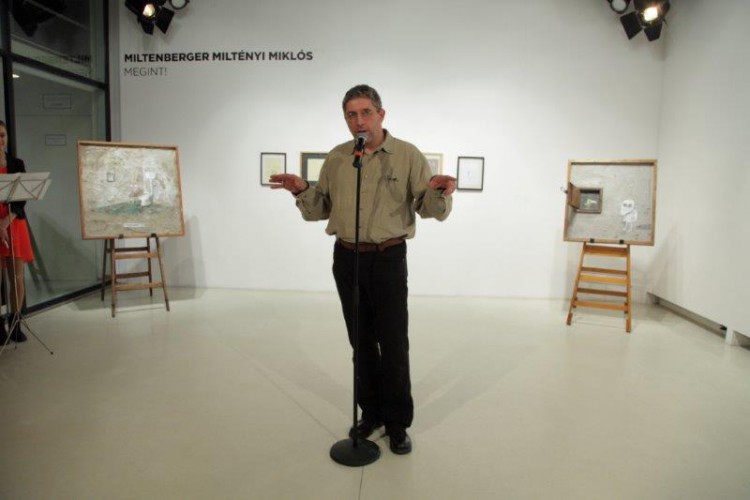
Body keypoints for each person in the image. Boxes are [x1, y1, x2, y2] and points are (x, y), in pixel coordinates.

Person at [270, 84, 456, 455]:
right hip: (347, 258)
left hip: (388, 259)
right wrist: (301, 189)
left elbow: (429, 209)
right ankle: (370, 413)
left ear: (381, 115)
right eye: (351, 115)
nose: (359, 121)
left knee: (394, 342)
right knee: (361, 342)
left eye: (366, 113)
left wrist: (441, 192)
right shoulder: (338, 158)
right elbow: (320, 209)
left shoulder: (407, 155)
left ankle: (397, 422)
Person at [0, 121, 34, 344]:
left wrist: (5, 222)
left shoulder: (17, 163)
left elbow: (22, 199)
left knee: (17, 277)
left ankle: (15, 322)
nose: (0, 139)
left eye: (2, 135)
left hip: (13, 223)